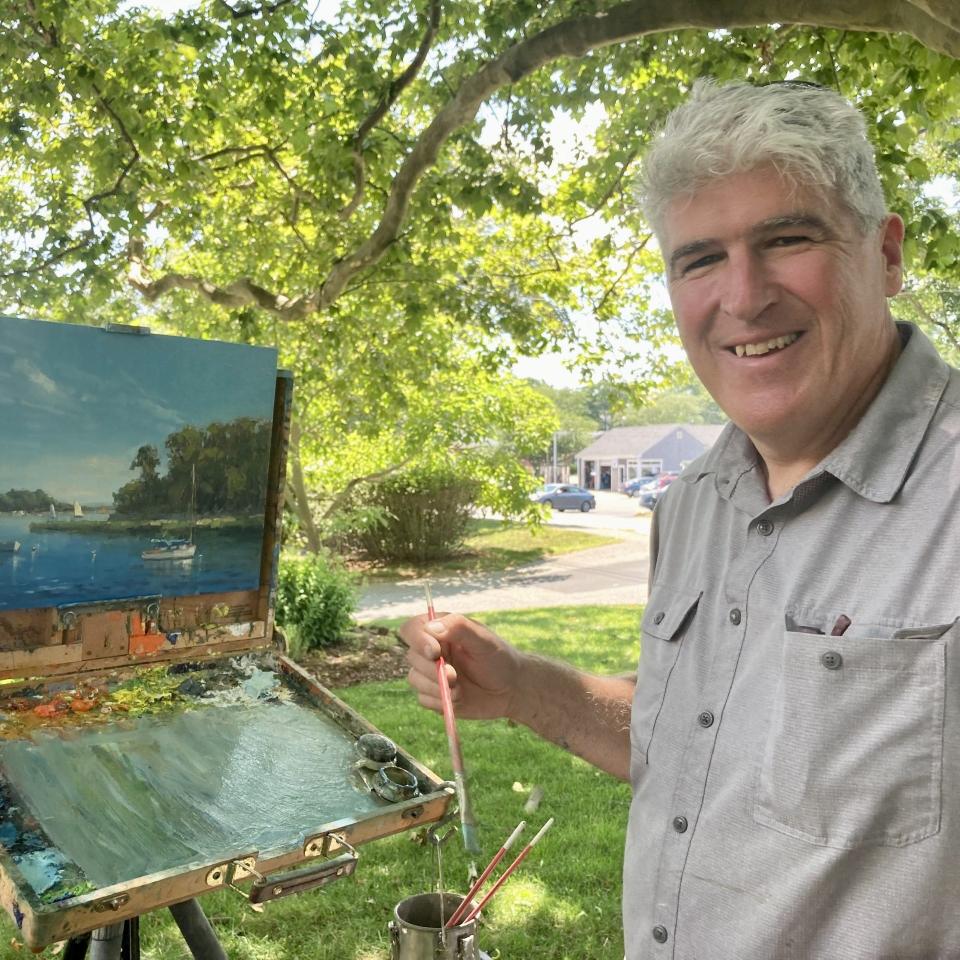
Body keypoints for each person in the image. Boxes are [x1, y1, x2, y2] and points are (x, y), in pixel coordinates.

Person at [401, 80, 960, 959]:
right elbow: (700, 746)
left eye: (787, 238)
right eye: (700, 259)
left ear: (886, 255)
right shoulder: (693, 506)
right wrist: (520, 686)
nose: (743, 296)